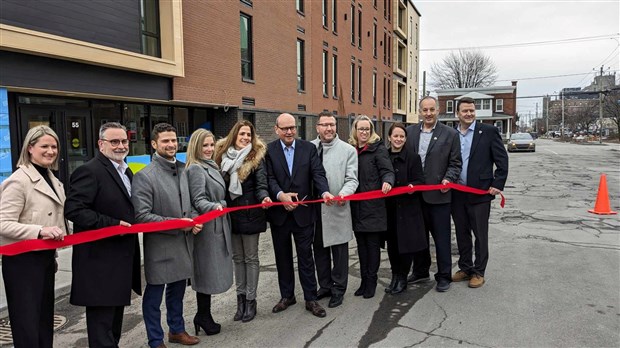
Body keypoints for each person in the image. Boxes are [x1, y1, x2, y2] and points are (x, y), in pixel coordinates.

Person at [65, 122, 141, 348]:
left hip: (120, 260)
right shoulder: (89, 170)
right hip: (99, 262)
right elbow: (74, 210)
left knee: (114, 325)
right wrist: (113, 224)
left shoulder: (126, 170)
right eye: (114, 141)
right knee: (102, 327)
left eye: (124, 141)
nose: (120, 146)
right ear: (101, 144)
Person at [132, 123, 202, 348]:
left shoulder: (184, 169)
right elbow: (142, 216)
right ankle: (155, 339)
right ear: (154, 144)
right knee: (154, 297)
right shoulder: (144, 176)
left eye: (173, 140)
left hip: (183, 243)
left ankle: (177, 330)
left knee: (177, 292)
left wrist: (193, 220)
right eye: (165, 141)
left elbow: (189, 203)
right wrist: (178, 224)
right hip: (160, 246)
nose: (171, 144)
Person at [0, 125, 67, 348]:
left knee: (43, 319)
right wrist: (39, 230)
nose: (50, 151)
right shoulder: (18, 181)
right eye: (44, 146)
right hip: (22, 262)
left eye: (54, 146)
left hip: (45, 258)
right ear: (30, 148)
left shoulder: (53, 178)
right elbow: (2, 223)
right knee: (27, 322)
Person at [265, 113, 333, 318]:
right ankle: (287, 295)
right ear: (276, 129)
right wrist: (280, 196)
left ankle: (311, 298)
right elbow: (268, 178)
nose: (289, 132)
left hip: (304, 213)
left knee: (306, 257)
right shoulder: (268, 151)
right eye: (285, 128)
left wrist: (324, 192)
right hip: (280, 214)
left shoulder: (308, 149)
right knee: (282, 257)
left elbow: (318, 174)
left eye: (292, 127)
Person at [214, 121, 271, 322]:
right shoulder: (221, 156)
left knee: (251, 258)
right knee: (237, 259)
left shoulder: (256, 157)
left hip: (251, 214)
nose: (246, 138)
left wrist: (264, 197)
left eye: (249, 134)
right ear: (234, 136)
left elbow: (261, 184)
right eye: (242, 134)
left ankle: (251, 301)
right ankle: (240, 301)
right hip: (230, 215)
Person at [451, 97, 509, 288]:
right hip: (457, 193)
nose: (468, 114)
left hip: (480, 193)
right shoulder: (452, 134)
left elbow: (502, 161)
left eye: (471, 111)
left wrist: (497, 183)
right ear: (457, 113)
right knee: (461, 233)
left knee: (480, 235)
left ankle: (479, 271)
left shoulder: (489, 132)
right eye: (465, 111)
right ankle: (466, 267)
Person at [405, 96, 462, 292]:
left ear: (438, 110)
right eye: (425, 110)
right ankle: (420, 271)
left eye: (432, 109)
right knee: (418, 237)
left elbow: (455, 163)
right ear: (420, 112)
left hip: (439, 196)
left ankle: (444, 275)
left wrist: (449, 179)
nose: (428, 113)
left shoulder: (450, 134)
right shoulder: (409, 132)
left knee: (441, 238)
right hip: (415, 197)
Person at [185, 129, 233, 336]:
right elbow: (198, 200)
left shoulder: (211, 166)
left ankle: (204, 314)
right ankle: (203, 316)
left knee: (210, 272)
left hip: (216, 225)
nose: (209, 149)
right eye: (204, 145)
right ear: (196, 146)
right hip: (207, 229)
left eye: (211, 145)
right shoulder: (196, 169)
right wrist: (217, 206)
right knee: (206, 273)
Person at [311, 112, 358, 308]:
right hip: (315, 210)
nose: (329, 128)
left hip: (337, 207)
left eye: (332, 124)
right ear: (317, 127)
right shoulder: (309, 148)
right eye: (325, 125)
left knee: (339, 253)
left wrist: (343, 194)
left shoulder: (348, 150)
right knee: (319, 250)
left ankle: (339, 289)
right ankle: (325, 285)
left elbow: (352, 179)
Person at [348, 115, 394, 299]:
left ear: (371, 131)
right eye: (361, 129)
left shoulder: (378, 150)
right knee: (361, 246)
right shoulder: (351, 150)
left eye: (367, 129)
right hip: (357, 207)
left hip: (374, 207)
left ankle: (371, 281)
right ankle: (363, 281)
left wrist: (388, 182)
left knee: (372, 246)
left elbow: (387, 171)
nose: (364, 132)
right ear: (355, 131)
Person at [385, 123, 426, 295]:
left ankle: (402, 277)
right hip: (390, 209)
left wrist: (412, 186)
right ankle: (394, 275)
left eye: (402, 136)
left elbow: (420, 180)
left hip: (408, 209)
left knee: (406, 246)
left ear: (405, 139)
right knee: (392, 245)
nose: (398, 139)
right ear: (389, 138)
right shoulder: (384, 156)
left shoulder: (413, 157)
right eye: (395, 136)